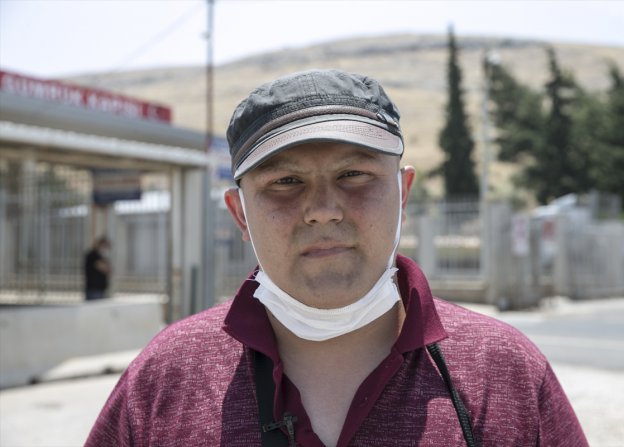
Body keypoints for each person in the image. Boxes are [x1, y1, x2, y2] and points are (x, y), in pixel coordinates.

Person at [86, 69, 587, 446]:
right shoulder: (166, 376)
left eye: (354, 175)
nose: (323, 210)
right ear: (240, 214)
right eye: (286, 181)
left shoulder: (503, 371)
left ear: (403, 193)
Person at [83, 236, 111, 301]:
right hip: (94, 290)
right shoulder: (93, 255)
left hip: (100, 290)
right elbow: (104, 268)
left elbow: (109, 270)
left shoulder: (101, 257)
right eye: (105, 246)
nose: (106, 249)